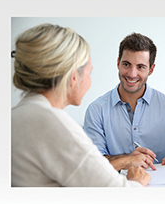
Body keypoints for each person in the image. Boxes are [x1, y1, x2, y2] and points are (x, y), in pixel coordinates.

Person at [10, 24, 147, 187]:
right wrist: (137, 182)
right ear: (74, 77)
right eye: (89, 72)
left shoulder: (18, 114)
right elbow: (116, 193)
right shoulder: (52, 123)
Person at [79, 32, 165, 172]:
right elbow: (94, 160)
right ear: (118, 63)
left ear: (151, 69)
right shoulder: (96, 110)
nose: (132, 74)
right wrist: (128, 159)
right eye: (126, 64)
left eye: (140, 67)